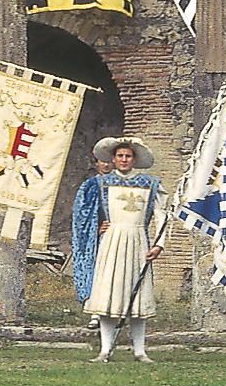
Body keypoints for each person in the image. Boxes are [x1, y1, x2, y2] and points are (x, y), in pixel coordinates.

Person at [76, 137, 166, 363]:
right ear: (113, 159)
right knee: (109, 293)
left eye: (128, 156)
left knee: (137, 297)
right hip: (112, 242)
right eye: (120, 156)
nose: (124, 160)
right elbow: (84, 214)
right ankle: (105, 349)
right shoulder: (100, 183)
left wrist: (158, 244)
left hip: (138, 241)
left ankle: (140, 351)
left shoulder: (150, 184)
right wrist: (96, 228)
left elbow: (163, 215)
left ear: (134, 159)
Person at [71, 157, 114, 331]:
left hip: (120, 233)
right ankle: (95, 313)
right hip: (100, 238)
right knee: (98, 273)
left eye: (109, 161)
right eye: (102, 161)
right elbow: (81, 215)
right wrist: (94, 230)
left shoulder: (124, 185)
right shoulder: (90, 186)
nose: (106, 165)